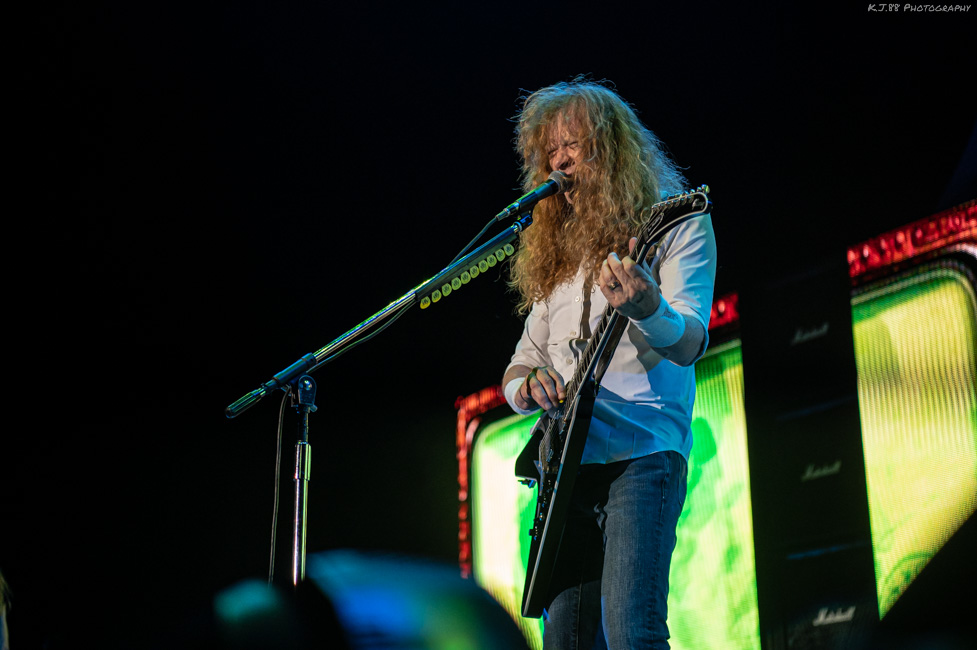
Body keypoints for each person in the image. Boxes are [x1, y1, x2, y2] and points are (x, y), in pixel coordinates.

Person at [501, 79, 717, 649]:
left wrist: (649, 308)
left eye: (574, 145)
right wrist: (528, 387)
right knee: (566, 640)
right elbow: (520, 366)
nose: (560, 161)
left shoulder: (677, 221)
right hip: (569, 466)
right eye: (550, 152)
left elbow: (691, 340)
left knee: (632, 633)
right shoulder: (556, 254)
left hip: (643, 455)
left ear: (614, 151)